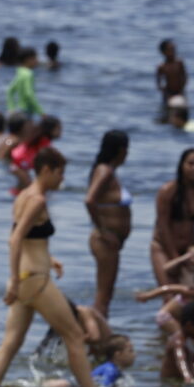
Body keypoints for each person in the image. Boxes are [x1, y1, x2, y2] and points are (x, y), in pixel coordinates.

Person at [0, 147, 97, 387]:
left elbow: (27, 240)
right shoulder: (37, 200)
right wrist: (13, 280)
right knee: (75, 336)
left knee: (11, 343)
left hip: (28, 279)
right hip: (34, 281)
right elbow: (14, 240)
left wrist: (49, 258)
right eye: (60, 173)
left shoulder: (23, 196)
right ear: (46, 170)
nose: (62, 179)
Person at [82, 129, 132, 318]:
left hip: (110, 241)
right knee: (103, 297)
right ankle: (98, 335)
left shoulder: (108, 172)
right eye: (127, 149)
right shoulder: (104, 171)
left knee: (106, 295)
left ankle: (100, 333)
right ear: (120, 150)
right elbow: (89, 200)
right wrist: (103, 231)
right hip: (105, 240)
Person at [150, 148, 194, 286]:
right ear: (181, 165)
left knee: (189, 296)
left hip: (188, 251)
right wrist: (175, 257)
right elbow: (163, 226)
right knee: (170, 294)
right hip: (162, 248)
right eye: (191, 164)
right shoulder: (167, 191)